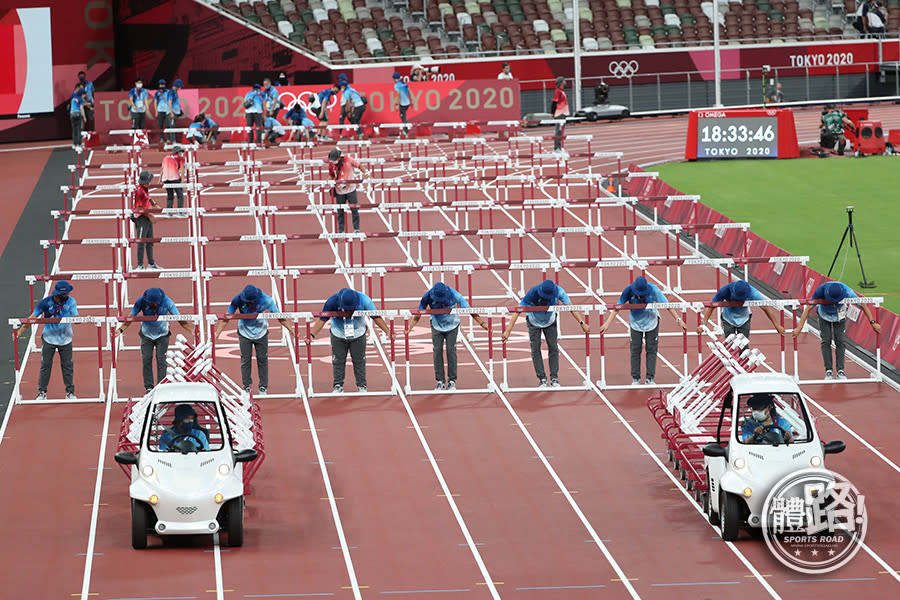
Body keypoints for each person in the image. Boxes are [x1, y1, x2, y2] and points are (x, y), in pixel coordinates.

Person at [597, 275, 687, 385]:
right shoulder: (628, 290)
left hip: (652, 323)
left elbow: (667, 305)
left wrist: (678, 319)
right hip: (635, 324)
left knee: (651, 349)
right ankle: (635, 378)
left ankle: (650, 378)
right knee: (635, 350)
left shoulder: (654, 290)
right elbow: (618, 307)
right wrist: (607, 323)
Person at [501, 279, 589, 387]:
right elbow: (518, 311)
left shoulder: (559, 291)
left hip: (550, 321)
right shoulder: (532, 292)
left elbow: (571, 308)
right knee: (535, 349)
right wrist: (508, 331)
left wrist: (582, 323)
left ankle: (554, 378)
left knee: (553, 347)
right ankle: (542, 378)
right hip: (534, 322)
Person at [306, 287, 393, 393]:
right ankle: (338, 385)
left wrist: (388, 331)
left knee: (359, 360)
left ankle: (362, 385)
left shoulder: (365, 300)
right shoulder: (331, 302)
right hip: (338, 333)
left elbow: (376, 317)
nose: (349, 311)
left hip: (358, 334)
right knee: (338, 360)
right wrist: (311, 335)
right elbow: (322, 319)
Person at [404, 282, 489, 390]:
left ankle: (452, 380)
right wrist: (410, 327)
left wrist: (482, 323)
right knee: (437, 351)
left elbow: (469, 310)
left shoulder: (455, 295)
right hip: (436, 326)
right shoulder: (427, 296)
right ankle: (440, 381)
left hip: (452, 326)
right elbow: (418, 313)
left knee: (450, 350)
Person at [213, 285, 294, 394]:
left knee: (262, 360)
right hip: (244, 333)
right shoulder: (237, 299)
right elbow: (227, 316)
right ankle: (247, 386)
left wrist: (290, 329)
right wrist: (217, 332)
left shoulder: (267, 300)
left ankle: (263, 387)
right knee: (245, 360)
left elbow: (279, 317)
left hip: (261, 332)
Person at [792, 281, 881, 380]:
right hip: (824, 314)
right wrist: (799, 327)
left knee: (840, 341)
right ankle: (828, 371)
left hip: (840, 315)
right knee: (826, 340)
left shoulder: (848, 292)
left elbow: (863, 305)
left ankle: (840, 371)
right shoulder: (820, 291)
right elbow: (808, 308)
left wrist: (872, 322)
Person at [115, 287, 194, 393]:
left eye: (157, 303)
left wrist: (191, 330)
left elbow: (178, 318)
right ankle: (149, 387)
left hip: (163, 335)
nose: (155, 305)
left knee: (161, 360)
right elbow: (131, 317)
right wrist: (120, 330)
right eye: (153, 303)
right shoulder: (141, 301)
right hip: (146, 335)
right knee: (146, 359)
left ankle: (161, 386)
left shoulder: (168, 302)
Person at [16, 280, 78, 400]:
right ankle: (42, 392)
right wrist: (19, 331)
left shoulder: (71, 302)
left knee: (68, 366)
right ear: (59, 294)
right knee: (45, 366)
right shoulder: (45, 303)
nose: (68, 295)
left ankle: (70, 392)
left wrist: (83, 320)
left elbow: (76, 317)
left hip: (66, 339)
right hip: (48, 339)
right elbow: (32, 318)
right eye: (66, 293)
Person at [697, 280, 786, 339]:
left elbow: (765, 308)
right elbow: (711, 306)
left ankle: (743, 366)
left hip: (744, 319)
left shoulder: (753, 293)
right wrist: (703, 324)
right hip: (728, 319)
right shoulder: (725, 290)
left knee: (743, 346)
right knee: (729, 344)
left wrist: (777, 325)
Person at [327, 147, 368, 233]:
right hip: (339, 192)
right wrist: (328, 182)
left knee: (354, 209)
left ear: (339, 157)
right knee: (340, 211)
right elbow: (331, 174)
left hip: (351, 190)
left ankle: (356, 229)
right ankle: (341, 230)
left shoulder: (348, 160)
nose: (333, 161)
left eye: (334, 160)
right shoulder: (331, 164)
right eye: (331, 160)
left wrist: (366, 173)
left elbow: (359, 166)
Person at [132, 169, 161, 270]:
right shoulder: (140, 191)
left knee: (150, 241)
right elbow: (140, 208)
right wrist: (150, 216)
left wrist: (155, 204)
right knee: (141, 241)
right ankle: (140, 265)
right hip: (141, 219)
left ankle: (151, 263)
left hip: (147, 217)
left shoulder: (145, 189)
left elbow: (147, 199)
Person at [159, 145, 186, 209]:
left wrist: (160, 179)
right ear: (178, 152)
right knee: (180, 195)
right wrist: (182, 179)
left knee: (170, 195)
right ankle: (180, 211)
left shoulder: (166, 158)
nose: (181, 153)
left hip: (165, 179)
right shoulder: (180, 158)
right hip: (175, 178)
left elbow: (162, 169)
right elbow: (182, 168)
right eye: (180, 152)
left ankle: (169, 211)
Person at [550, 76, 569, 153]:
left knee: (561, 132)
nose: (565, 83)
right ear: (561, 82)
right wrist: (553, 112)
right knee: (558, 131)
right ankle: (556, 148)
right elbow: (554, 103)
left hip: (563, 113)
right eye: (564, 81)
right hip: (559, 113)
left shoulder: (562, 91)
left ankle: (559, 147)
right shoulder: (557, 91)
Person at [392, 72, 411, 136]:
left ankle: (406, 132)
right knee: (403, 116)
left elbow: (398, 94)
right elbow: (409, 92)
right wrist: (411, 101)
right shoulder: (404, 83)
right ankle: (405, 130)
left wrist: (397, 104)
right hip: (407, 103)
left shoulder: (397, 85)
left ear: (395, 79)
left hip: (403, 104)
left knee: (403, 117)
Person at [154, 79, 171, 144]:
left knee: (168, 125)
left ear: (165, 85)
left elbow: (170, 101)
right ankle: (161, 138)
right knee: (160, 125)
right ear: (159, 85)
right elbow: (155, 102)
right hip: (160, 110)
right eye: (161, 84)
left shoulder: (168, 92)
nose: (162, 86)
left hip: (167, 110)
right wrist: (156, 111)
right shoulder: (157, 93)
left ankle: (168, 139)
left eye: (163, 84)